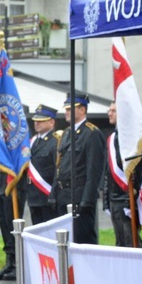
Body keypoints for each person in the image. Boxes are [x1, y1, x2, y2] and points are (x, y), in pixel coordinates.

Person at [49, 93, 105, 244]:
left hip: (79, 195)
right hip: (63, 194)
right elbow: (59, 166)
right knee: (64, 241)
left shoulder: (92, 133)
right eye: (66, 108)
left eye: (70, 108)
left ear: (82, 110)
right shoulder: (66, 133)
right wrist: (54, 192)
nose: (66, 112)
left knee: (83, 239)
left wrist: (87, 200)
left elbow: (94, 171)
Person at [103, 102, 142, 247]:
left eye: (114, 110)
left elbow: (138, 169)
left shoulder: (131, 138)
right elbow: (108, 171)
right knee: (120, 242)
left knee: (131, 242)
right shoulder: (111, 138)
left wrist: (130, 197)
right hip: (114, 198)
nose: (110, 113)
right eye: (109, 110)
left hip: (126, 197)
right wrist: (106, 200)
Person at [26, 105, 60, 225]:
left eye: (41, 121)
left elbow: (58, 169)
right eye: (35, 121)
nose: (37, 123)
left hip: (48, 194)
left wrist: (53, 193)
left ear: (51, 122)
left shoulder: (56, 141)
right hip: (33, 196)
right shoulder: (32, 142)